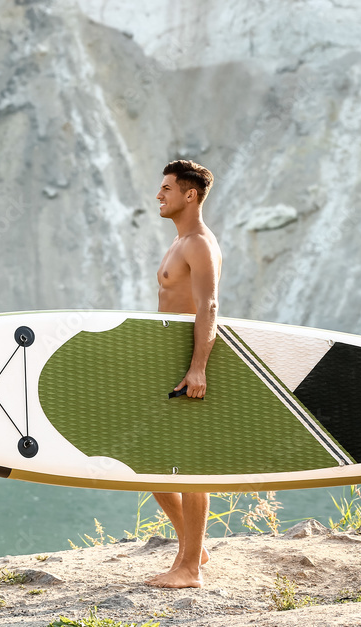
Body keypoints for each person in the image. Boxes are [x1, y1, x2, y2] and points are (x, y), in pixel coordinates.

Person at [145, 159, 222, 589]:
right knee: (150, 464)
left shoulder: (199, 244)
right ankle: (194, 546)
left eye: (167, 189)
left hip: (190, 365)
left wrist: (197, 368)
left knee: (189, 467)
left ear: (189, 195)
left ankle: (189, 568)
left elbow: (208, 306)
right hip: (168, 363)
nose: (159, 195)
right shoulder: (178, 243)